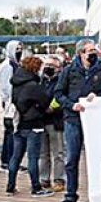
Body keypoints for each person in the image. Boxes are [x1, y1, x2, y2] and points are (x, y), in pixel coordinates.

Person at [55, 39, 101, 202]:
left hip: (95, 120)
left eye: (94, 50)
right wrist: (71, 105)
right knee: (72, 158)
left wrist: (97, 96)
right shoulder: (69, 70)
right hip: (73, 119)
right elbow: (58, 93)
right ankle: (70, 195)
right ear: (81, 53)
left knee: (99, 156)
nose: (93, 54)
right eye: (89, 51)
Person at [7, 56, 55, 197]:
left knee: (16, 156)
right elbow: (45, 101)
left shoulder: (16, 82)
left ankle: (10, 186)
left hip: (19, 123)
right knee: (33, 157)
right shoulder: (33, 85)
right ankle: (36, 187)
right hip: (34, 123)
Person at [38, 55, 66, 193]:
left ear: (59, 68)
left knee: (58, 153)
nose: (48, 68)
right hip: (41, 120)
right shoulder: (40, 81)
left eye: (52, 66)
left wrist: (53, 107)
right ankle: (44, 179)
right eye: (47, 65)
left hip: (56, 121)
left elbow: (61, 98)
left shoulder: (62, 81)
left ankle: (59, 179)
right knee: (43, 153)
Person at [0, 40, 23, 173]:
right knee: (11, 132)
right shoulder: (8, 66)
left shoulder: (16, 64)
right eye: (17, 49)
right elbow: (7, 87)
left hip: (14, 101)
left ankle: (10, 160)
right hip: (11, 103)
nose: (19, 51)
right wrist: (11, 101)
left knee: (11, 132)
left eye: (20, 49)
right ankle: (8, 161)